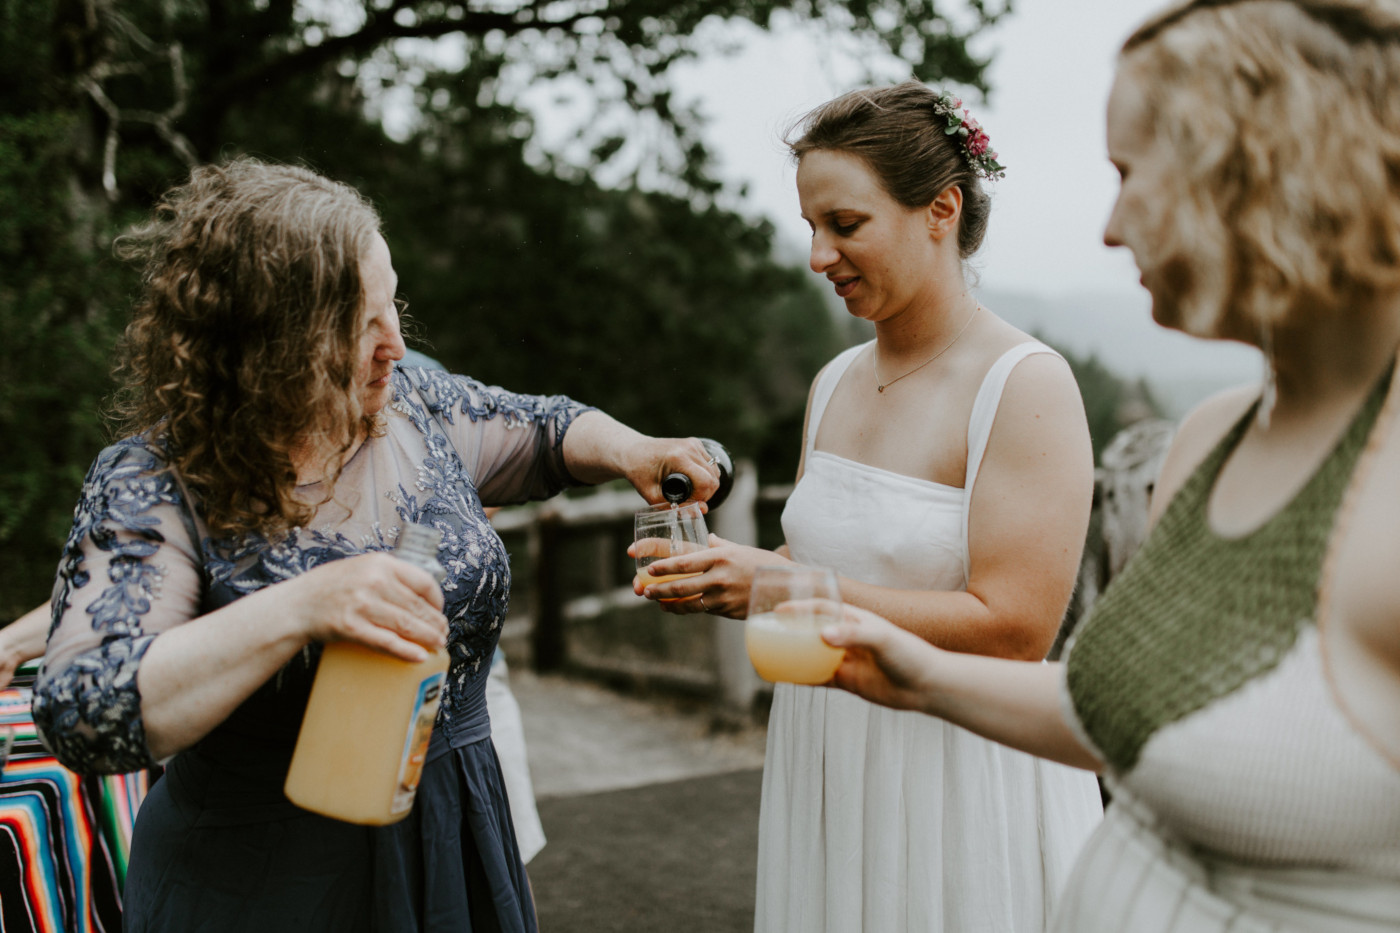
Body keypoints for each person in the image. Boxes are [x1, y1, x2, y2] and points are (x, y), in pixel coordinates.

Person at [821, 2, 1400, 931]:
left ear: (1277, 175)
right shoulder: (1213, 439)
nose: (1111, 227)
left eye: (1132, 176)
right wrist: (919, 674)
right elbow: (1145, 713)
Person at [32, 157, 719, 932]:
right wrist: (303, 606)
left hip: (453, 838)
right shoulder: (154, 480)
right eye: (363, 324)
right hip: (263, 880)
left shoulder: (416, 407)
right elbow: (84, 708)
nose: (396, 343)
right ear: (271, 342)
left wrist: (635, 449)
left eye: (394, 308)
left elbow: (551, 427)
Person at [635, 83, 1103, 930]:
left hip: (961, 762)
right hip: (826, 747)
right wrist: (726, 572)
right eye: (812, 227)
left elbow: (1016, 627)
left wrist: (784, 590)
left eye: (844, 226)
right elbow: (835, 564)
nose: (818, 256)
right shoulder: (834, 382)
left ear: (941, 210)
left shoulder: (1025, 385)